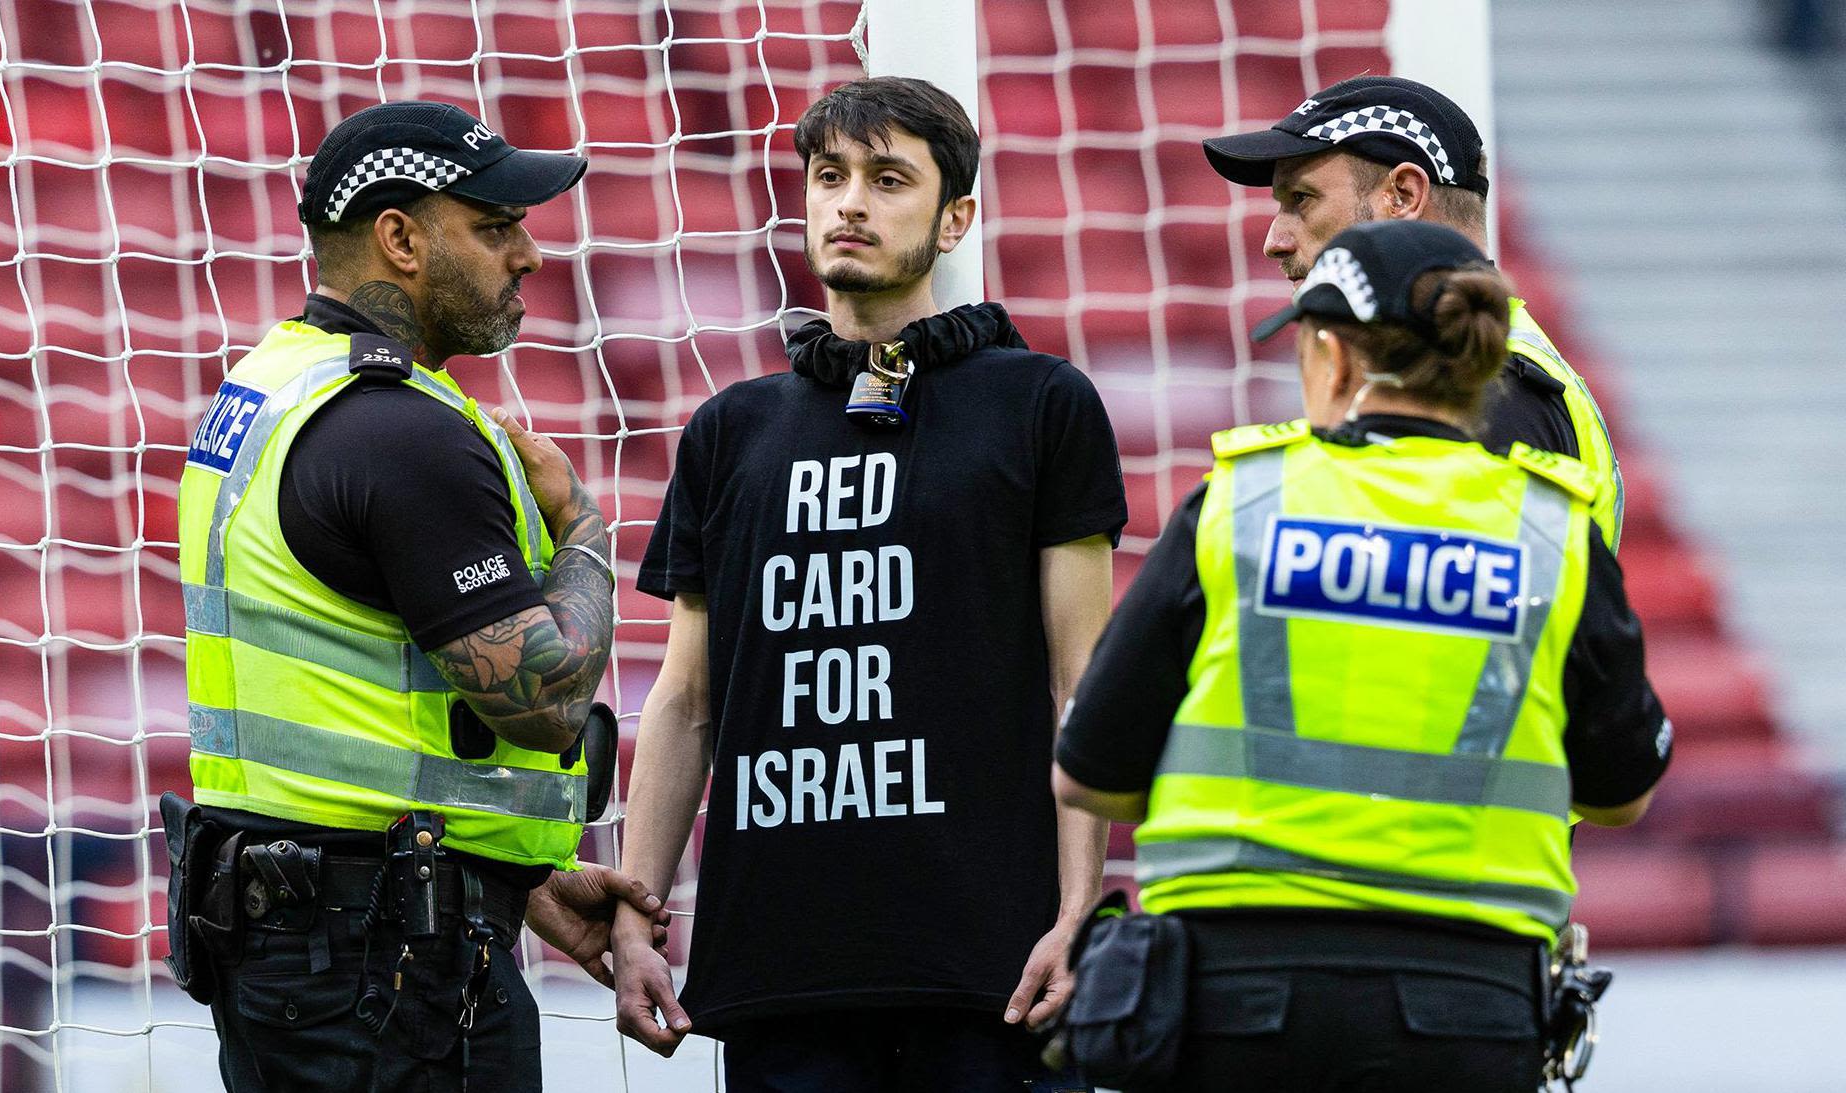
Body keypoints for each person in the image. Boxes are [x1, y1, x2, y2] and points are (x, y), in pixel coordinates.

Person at [1051, 220, 1672, 1091]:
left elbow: (1087, 772)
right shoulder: (1554, 529)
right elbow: (1621, 792)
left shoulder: (1241, 500)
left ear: (1336, 359)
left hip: (1236, 998)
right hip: (1468, 1005)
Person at [610, 77, 1127, 1091]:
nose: (851, 202)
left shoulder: (1041, 403)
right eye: (831, 176)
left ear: (955, 217)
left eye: (890, 180)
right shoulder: (732, 428)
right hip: (786, 975)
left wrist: (1075, 913)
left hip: (993, 971)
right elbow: (684, 698)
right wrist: (636, 908)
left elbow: (1084, 682)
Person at [166, 100, 665, 1092]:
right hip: (387, 972)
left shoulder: (269, 387)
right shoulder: (403, 432)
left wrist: (512, 873)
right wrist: (582, 529)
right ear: (398, 237)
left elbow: (350, 723)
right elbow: (547, 697)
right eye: (493, 225)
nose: (526, 253)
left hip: (303, 950)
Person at [1203, 75, 1626, 549]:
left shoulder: (1492, 388)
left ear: (1403, 195)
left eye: (1301, 199)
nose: (1273, 242)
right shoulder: (1468, 366)